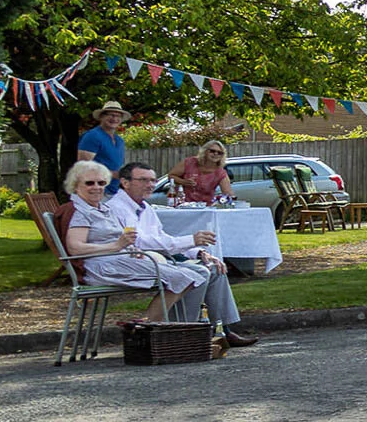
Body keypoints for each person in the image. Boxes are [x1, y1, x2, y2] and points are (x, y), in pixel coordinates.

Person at [106, 162, 259, 346]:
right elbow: (140, 242)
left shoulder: (145, 207)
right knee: (199, 273)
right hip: (136, 261)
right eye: (143, 180)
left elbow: (162, 237)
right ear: (125, 182)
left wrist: (199, 252)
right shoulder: (116, 208)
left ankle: (221, 330)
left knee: (215, 268)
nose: (150, 185)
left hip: (158, 259)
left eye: (153, 180)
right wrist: (190, 240)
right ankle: (186, 332)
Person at [60, 161, 211, 329]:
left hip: (119, 260)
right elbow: (75, 248)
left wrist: (132, 249)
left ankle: (152, 327)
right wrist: (116, 246)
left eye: (101, 183)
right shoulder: (81, 211)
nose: (97, 187)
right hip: (101, 267)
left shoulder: (101, 208)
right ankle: (148, 328)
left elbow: (136, 240)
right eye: (89, 183)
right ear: (75, 185)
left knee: (190, 276)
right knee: (182, 277)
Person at [76, 101, 130, 194]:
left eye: (118, 116)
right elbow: (83, 166)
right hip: (95, 192)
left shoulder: (119, 141)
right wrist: (114, 174)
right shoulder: (92, 136)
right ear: (101, 117)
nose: (115, 119)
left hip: (114, 192)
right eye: (111, 115)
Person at [170, 140, 234, 204]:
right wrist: (183, 182)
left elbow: (228, 194)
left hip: (205, 209)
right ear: (205, 151)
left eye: (220, 153)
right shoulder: (189, 162)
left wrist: (229, 200)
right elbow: (171, 176)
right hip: (183, 206)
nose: (216, 154)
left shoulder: (220, 173)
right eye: (212, 151)